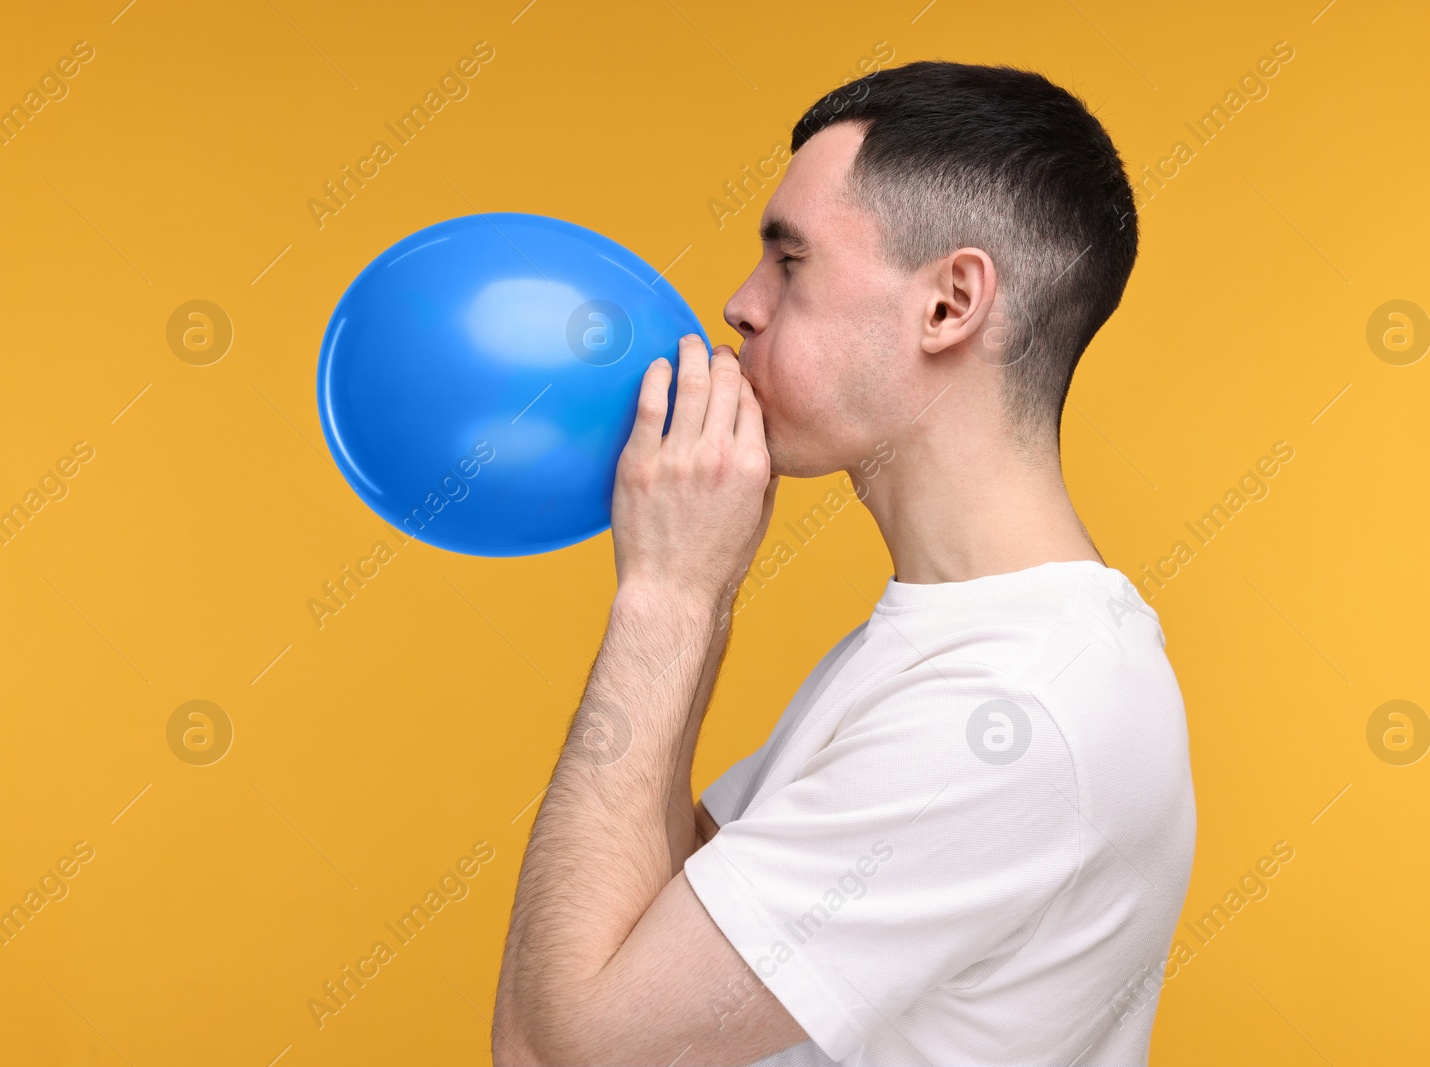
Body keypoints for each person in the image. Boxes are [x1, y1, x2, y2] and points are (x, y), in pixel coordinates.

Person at [492, 60, 1196, 1066]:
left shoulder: (1006, 713)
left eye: (790, 260)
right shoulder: (947, 645)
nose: (739, 303)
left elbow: (557, 1051)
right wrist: (700, 585)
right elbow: (657, 917)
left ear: (950, 303)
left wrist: (668, 595)